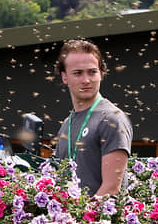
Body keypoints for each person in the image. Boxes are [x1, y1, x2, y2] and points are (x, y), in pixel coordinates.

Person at [54, 39, 132, 196]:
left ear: (101, 74)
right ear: (64, 77)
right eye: (77, 73)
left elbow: (111, 189)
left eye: (92, 72)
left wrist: (79, 218)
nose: (86, 80)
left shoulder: (111, 119)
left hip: (99, 219)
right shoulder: (67, 124)